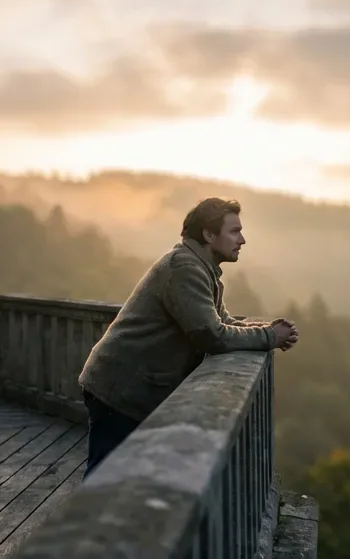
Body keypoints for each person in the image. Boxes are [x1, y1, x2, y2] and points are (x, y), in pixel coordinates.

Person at [77, 197, 300, 475]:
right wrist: (269, 336)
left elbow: (223, 322)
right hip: (119, 390)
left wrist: (267, 329)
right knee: (104, 478)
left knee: (124, 476)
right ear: (209, 234)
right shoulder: (185, 270)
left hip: (132, 390)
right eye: (234, 231)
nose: (242, 239)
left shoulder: (199, 268)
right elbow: (213, 336)